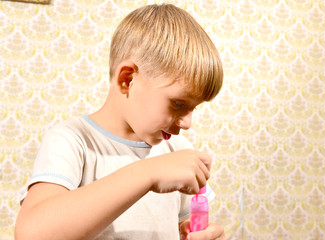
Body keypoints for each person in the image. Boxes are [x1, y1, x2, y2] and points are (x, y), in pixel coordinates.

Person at [15, 3, 225, 240]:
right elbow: (32, 233)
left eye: (194, 108)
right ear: (127, 80)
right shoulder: (72, 141)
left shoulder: (178, 151)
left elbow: (178, 227)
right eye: (178, 104)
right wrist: (148, 173)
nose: (188, 123)